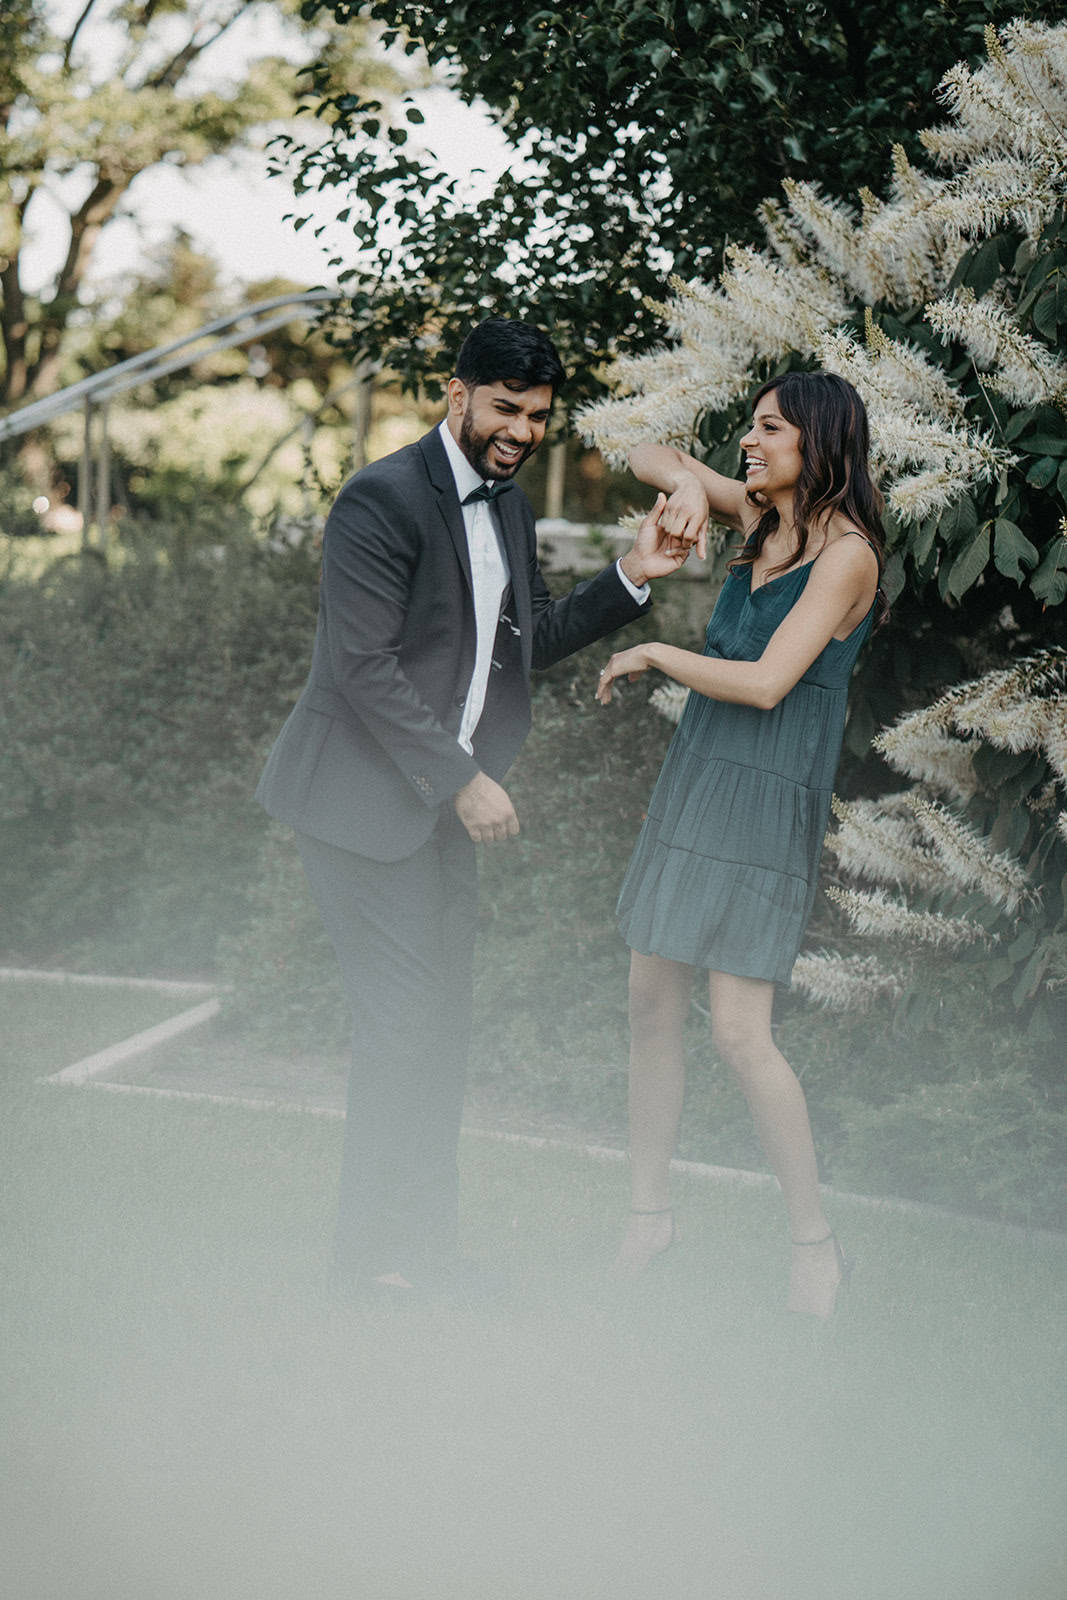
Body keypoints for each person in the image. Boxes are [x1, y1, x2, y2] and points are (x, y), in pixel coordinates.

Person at [256, 318, 693, 1303]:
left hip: (430, 813)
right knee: (402, 1028)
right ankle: (367, 1264)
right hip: (357, 809)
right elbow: (358, 666)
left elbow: (523, 637)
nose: (521, 430)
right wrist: (459, 775)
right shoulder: (380, 498)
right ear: (455, 395)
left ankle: (424, 1252)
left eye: (537, 416)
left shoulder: (505, 505)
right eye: (504, 408)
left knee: (439, 1026)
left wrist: (632, 577)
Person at [594, 371, 885, 1319]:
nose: (747, 443)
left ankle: (813, 1241)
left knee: (735, 1032)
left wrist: (651, 652)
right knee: (647, 1001)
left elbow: (764, 684)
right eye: (746, 428)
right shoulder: (758, 516)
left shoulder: (846, 555)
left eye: (768, 429)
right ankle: (649, 1217)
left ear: (820, 442)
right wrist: (682, 485)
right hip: (696, 782)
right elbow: (641, 450)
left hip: (763, 799)